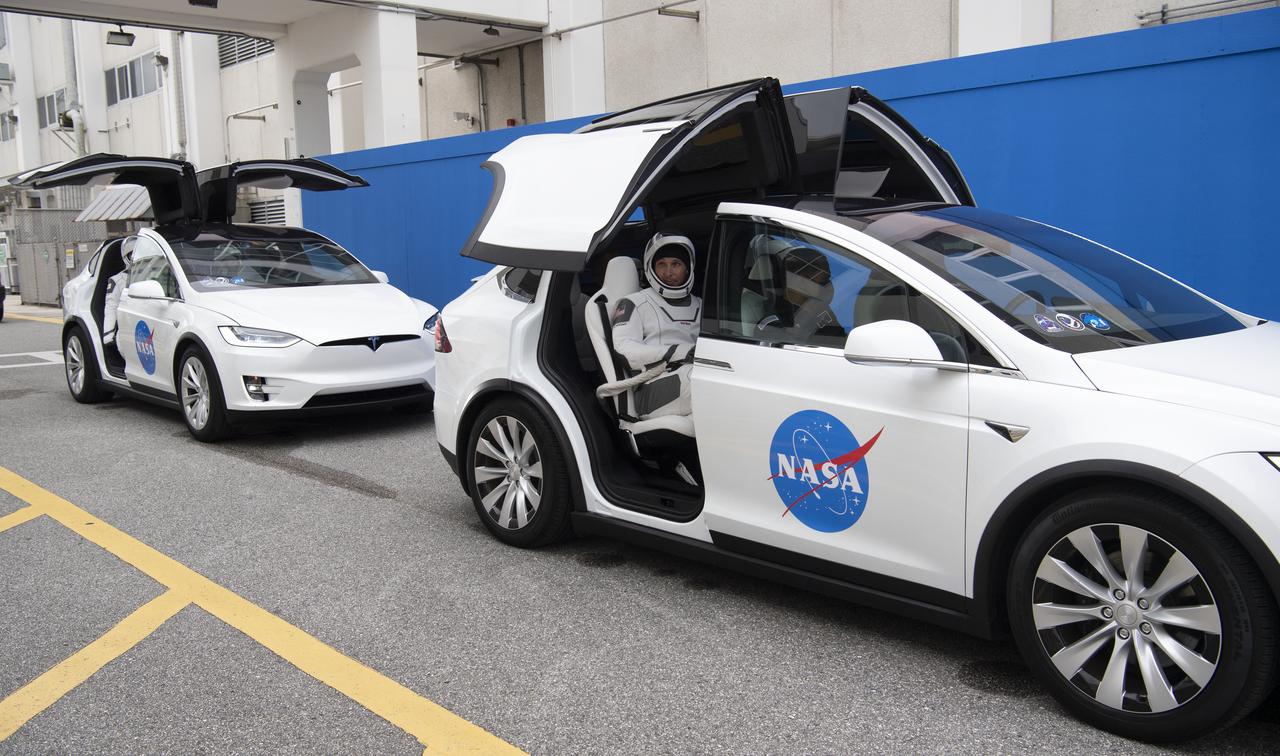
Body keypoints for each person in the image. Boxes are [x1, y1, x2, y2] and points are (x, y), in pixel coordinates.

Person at [610, 232, 701, 420]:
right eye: (661, 264)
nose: (668, 272)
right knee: (704, 382)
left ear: (688, 268)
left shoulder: (702, 305)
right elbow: (624, 350)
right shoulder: (633, 303)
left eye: (676, 264)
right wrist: (679, 352)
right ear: (650, 267)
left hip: (696, 377)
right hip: (651, 389)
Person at [102, 241, 133, 344]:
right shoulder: (118, 280)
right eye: (132, 254)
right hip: (128, 330)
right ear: (126, 256)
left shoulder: (157, 273)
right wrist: (108, 334)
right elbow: (111, 306)